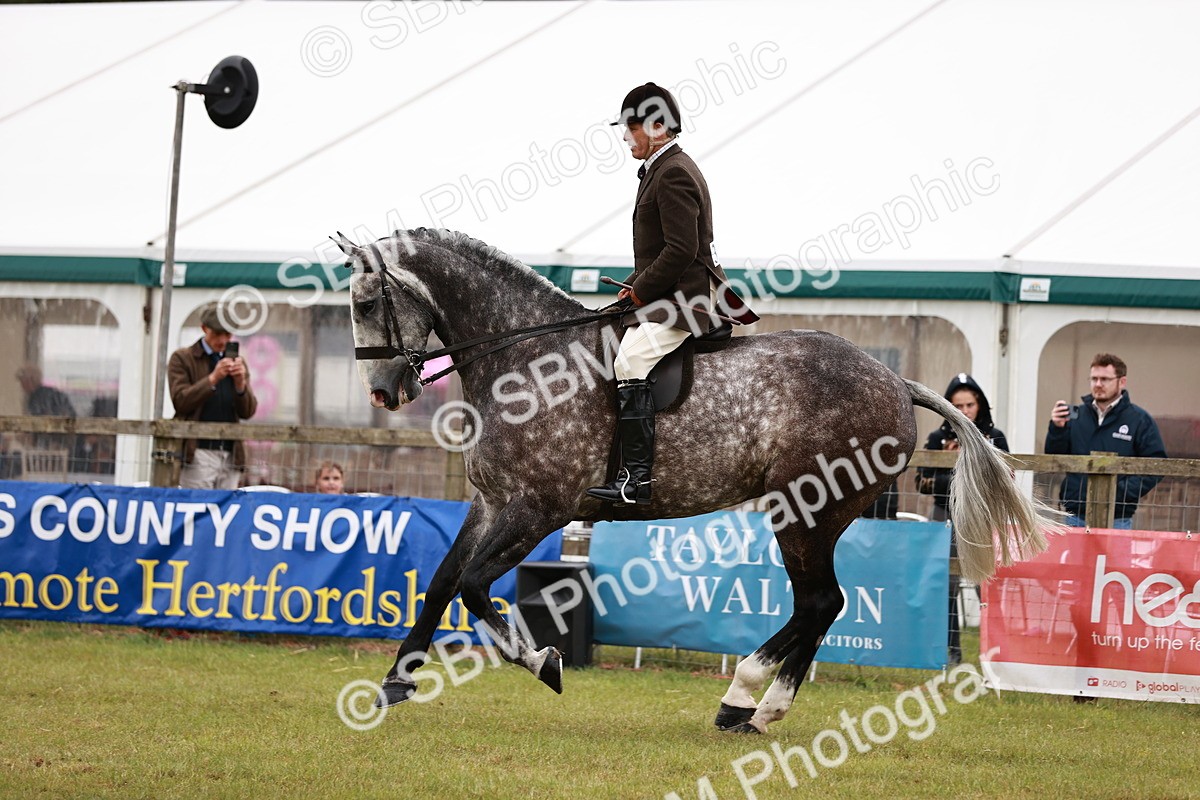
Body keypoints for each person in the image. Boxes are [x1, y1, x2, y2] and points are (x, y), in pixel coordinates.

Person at [587, 82, 756, 506]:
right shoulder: (660, 169)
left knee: (629, 362)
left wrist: (642, 290)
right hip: (667, 292)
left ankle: (636, 481)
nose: (626, 137)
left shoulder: (674, 172)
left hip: (685, 300)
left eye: (631, 128)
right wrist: (633, 285)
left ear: (657, 127)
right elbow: (659, 250)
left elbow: (682, 250)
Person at [917, 373, 1009, 665]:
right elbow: (922, 482)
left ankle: (996, 650)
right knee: (947, 585)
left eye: (970, 405)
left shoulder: (994, 437)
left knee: (988, 584)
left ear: (979, 404)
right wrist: (953, 471)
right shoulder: (937, 439)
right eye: (958, 406)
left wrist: (968, 469)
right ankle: (953, 651)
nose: (965, 411)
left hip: (982, 517)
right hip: (944, 515)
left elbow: (1007, 480)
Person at [1045, 353, 1165, 528]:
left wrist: (1119, 492)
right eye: (1094, 379)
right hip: (1075, 514)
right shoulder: (1077, 416)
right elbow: (1054, 457)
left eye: (1105, 379)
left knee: (1114, 550)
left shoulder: (1139, 420)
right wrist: (1057, 428)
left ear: (1122, 382)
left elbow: (1157, 464)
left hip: (1118, 517)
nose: (1098, 384)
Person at [168, 304, 257, 490]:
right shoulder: (183, 358)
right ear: (204, 328)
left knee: (226, 507)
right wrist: (213, 379)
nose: (223, 341)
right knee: (197, 505)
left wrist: (240, 385)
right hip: (197, 450)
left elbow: (248, 412)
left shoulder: (238, 363)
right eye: (217, 334)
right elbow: (181, 401)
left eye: (228, 335)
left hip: (231, 452)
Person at [16, 364, 77, 453]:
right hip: (62, 443)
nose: (21, 385)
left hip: (51, 445)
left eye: (22, 381)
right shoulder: (53, 393)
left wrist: (29, 436)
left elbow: (40, 422)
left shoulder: (37, 398)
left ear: (30, 380)